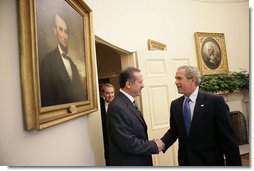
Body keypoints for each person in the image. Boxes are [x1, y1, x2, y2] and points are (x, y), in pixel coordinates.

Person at [161, 65, 242, 166]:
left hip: (209, 163)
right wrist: (159, 144)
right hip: (186, 163)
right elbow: (174, 131)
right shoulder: (175, 105)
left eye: (179, 78)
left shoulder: (215, 102)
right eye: (176, 79)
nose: (176, 82)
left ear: (192, 80)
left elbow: (228, 139)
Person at [107, 66, 164, 166]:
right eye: (140, 82)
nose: (143, 85)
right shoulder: (117, 107)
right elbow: (127, 143)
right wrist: (154, 145)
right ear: (128, 84)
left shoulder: (128, 101)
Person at [40, 13, 87, 107]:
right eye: (61, 30)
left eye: (66, 31)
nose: (64, 36)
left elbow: (80, 96)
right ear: (55, 31)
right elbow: (46, 99)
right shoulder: (47, 61)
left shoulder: (73, 65)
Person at [99, 83, 115, 166]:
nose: (110, 95)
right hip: (105, 140)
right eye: (108, 93)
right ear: (103, 94)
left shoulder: (119, 105)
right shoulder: (99, 106)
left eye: (112, 92)